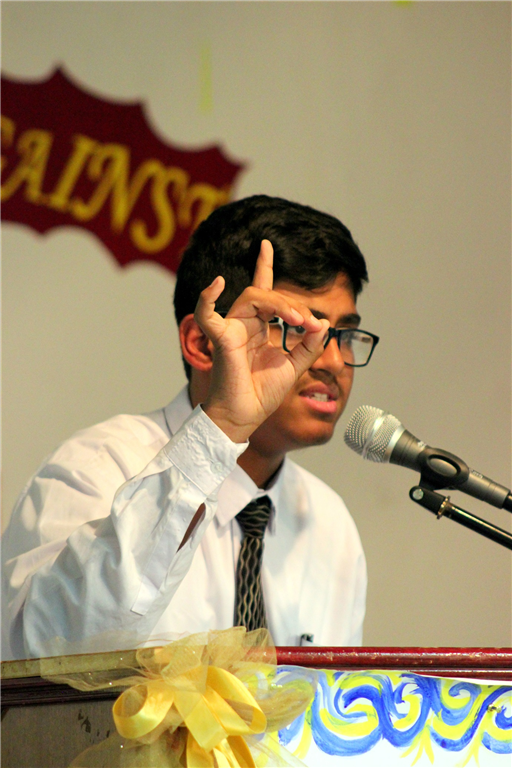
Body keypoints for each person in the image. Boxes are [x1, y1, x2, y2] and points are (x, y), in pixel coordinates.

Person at [1, 195, 379, 660]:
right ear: (202, 343)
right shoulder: (96, 469)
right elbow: (49, 656)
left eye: (344, 334)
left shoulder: (329, 522)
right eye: (298, 329)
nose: (333, 361)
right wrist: (223, 427)